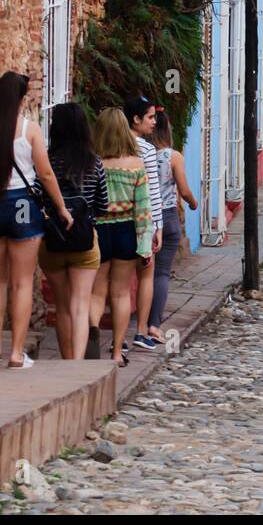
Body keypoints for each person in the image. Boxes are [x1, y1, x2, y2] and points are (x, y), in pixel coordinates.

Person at [0, 72, 73, 369]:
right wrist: (61, 208)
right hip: (21, 204)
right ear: (22, 99)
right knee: (21, 282)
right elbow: (45, 174)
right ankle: (16, 353)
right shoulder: (29, 130)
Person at [38, 103, 108, 360]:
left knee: (62, 305)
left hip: (52, 241)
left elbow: (38, 197)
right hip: (84, 242)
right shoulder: (94, 163)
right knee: (80, 304)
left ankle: (67, 359)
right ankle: (77, 364)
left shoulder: (46, 162)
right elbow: (103, 205)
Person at [88, 109, 152, 367]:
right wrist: (145, 245)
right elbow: (143, 209)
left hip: (99, 231)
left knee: (96, 292)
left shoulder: (94, 163)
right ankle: (117, 351)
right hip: (126, 230)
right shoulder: (136, 165)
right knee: (121, 293)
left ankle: (90, 345)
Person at [147, 110, 198, 345]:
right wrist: (192, 202)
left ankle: (141, 323)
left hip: (144, 218)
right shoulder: (172, 156)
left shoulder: (141, 153)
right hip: (167, 217)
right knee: (161, 273)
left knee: (143, 272)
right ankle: (153, 323)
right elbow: (184, 189)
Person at [125, 98, 164, 353]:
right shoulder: (146, 151)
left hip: (115, 219)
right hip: (142, 220)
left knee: (114, 282)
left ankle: (118, 341)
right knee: (145, 275)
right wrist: (158, 226)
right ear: (136, 119)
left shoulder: (111, 145)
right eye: (150, 117)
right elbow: (152, 192)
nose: (154, 122)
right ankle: (141, 331)